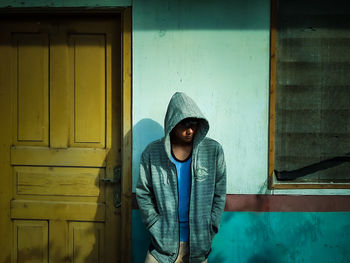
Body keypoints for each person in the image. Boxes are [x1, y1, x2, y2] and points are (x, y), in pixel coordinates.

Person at [136, 92, 226, 263]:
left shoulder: (213, 152)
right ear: (172, 123)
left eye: (194, 125)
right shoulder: (152, 153)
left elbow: (219, 194)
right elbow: (143, 193)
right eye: (184, 125)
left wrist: (211, 226)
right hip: (161, 248)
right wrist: (155, 225)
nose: (190, 130)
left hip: (198, 246)